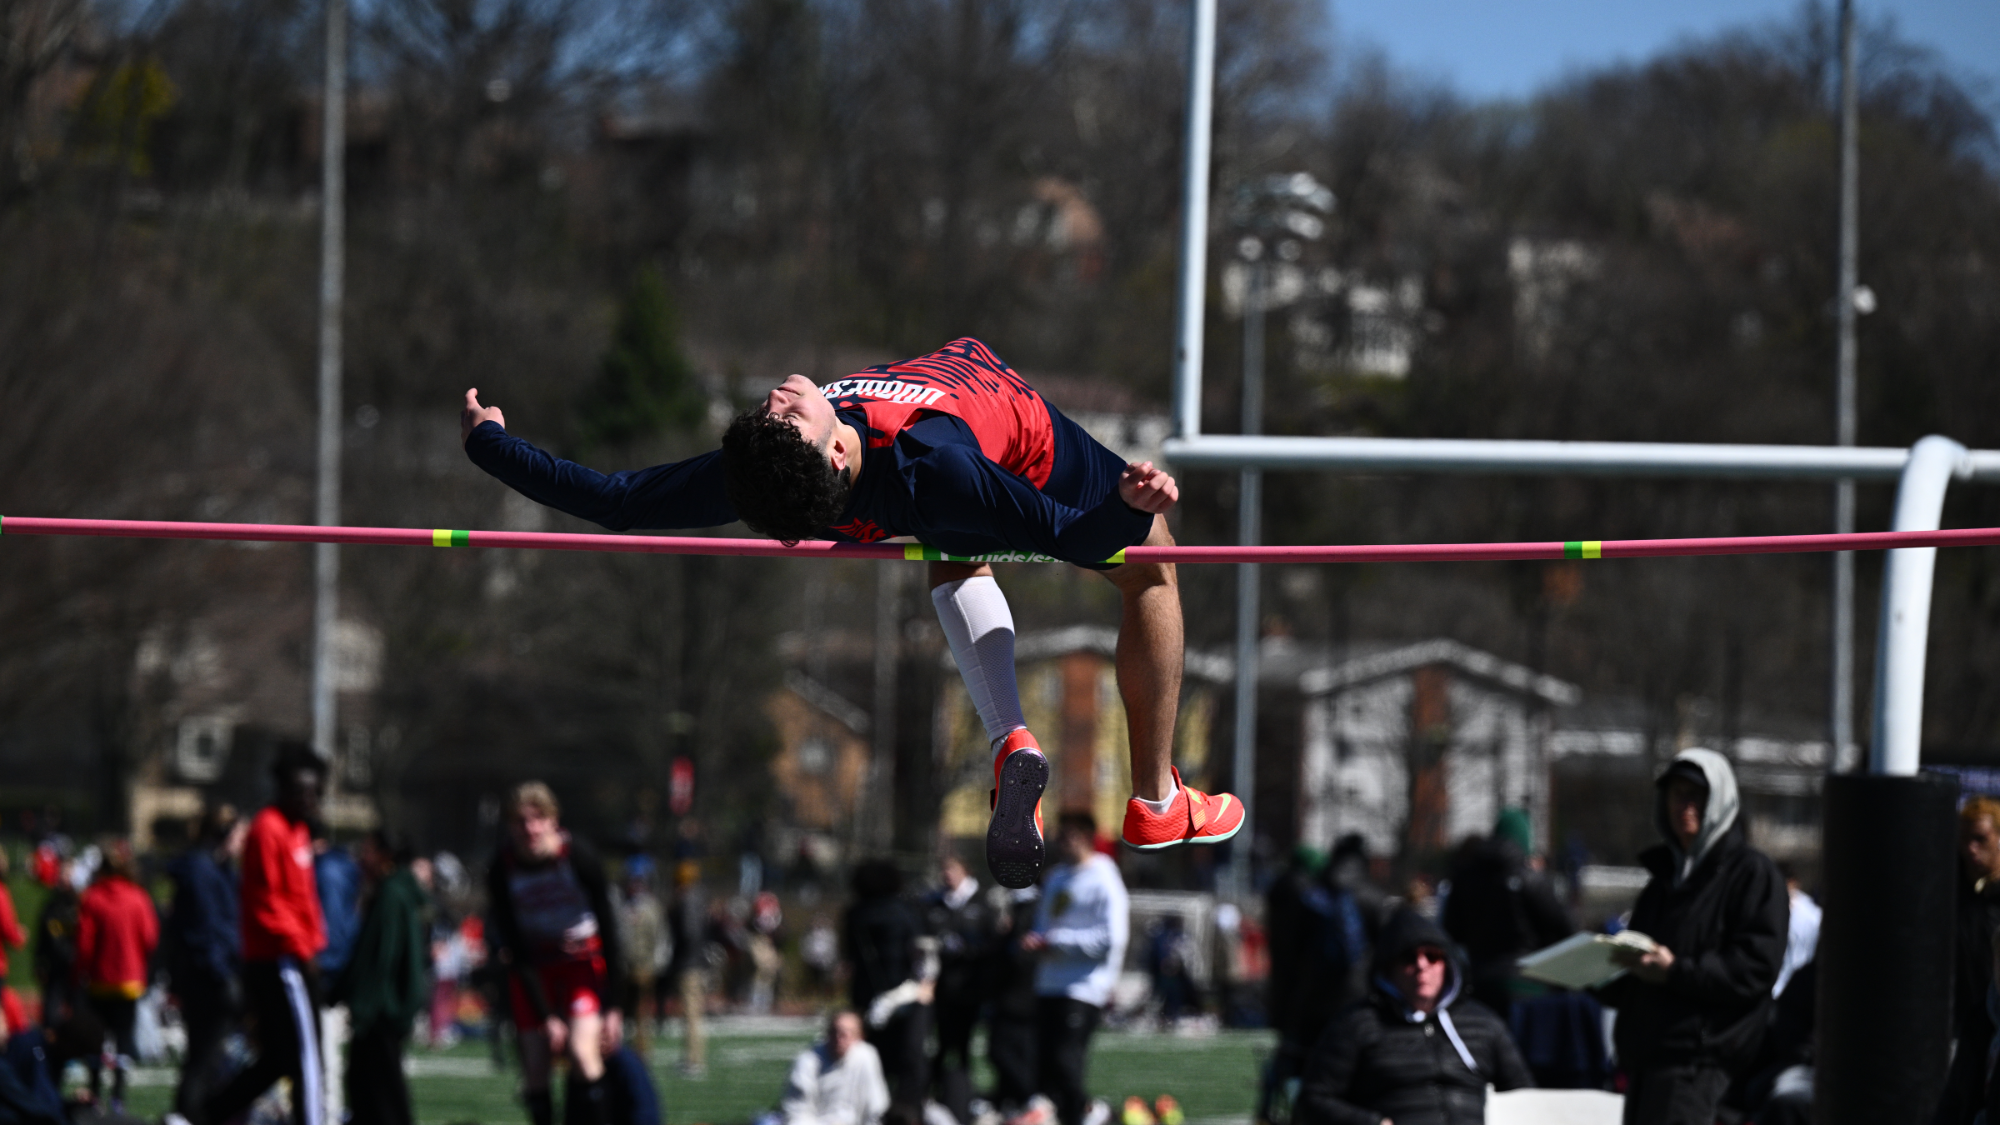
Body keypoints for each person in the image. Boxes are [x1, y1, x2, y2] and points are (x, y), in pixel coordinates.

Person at [460, 338, 1244, 888]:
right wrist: (1129, 506)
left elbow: (618, 500)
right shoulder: (935, 464)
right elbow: (1079, 539)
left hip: (933, 484)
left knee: (953, 545)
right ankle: (1155, 799)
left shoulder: (763, 472)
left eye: (775, 414)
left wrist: (493, 447)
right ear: (834, 452)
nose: (776, 401)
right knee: (1153, 564)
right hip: (1014, 434)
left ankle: (1012, 737)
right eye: (792, 416)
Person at [1595, 748, 1788, 1125]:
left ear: (1721, 800)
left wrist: (1675, 970)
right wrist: (1592, 972)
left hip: (1701, 1067)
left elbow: (1754, 969)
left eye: (1697, 794)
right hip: (1647, 1061)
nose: (1685, 805)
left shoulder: (1752, 875)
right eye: (1676, 793)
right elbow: (1641, 970)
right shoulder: (1662, 883)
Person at [1294, 908, 1533, 1125]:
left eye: (1432, 956)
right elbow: (1313, 1100)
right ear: (1388, 968)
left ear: (1448, 964)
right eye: (1409, 958)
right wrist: (1369, 1123)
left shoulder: (1484, 1024)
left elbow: (1524, 1097)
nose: (1422, 966)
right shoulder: (1357, 1024)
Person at [203, 742, 330, 1125]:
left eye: (313, 791)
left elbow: (304, 898)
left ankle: (209, 1114)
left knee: (279, 1057)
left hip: (296, 952)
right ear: (281, 789)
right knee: (308, 1054)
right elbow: (268, 903)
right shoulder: (268, 829)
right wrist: (302, 948)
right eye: (298, 790)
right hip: (279, 957)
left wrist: (316, 942)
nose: (307, 799)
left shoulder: (299, 831)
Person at [487, 782, 626, 1125]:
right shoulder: (501, 869)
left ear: (553, 821)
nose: (530, 829)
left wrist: (615, 1006)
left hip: (582, 964)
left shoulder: (577, 857)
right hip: (534, 968)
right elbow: (513, 946)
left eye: (538, 819)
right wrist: (547, 1015)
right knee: (536, 1065)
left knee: (582, 1053)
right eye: (520, 821)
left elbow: (610, 928)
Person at [1025, 812, 1128, 1125]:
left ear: (1085, 837)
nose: (1060, 842)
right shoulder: (1056, 877)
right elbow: (1044, 924)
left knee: (1067, 1064)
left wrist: (1058, 942)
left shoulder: (1104, 877)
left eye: (1067, 836)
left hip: (1084, 986)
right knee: (1046, 1068)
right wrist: (1036, 941)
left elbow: (1111, 937)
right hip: (1049, 982)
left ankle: (1094, 1114)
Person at [1440, 808, 1573, 1021]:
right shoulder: (1530, 879)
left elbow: (1451, 931)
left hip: (1479, 982)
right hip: (1529, 983)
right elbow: (1564, 928)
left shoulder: (1465, 878)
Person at [335, 830, 430, 1125]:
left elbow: (380, 956)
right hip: (387, 1007)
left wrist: (361, 1004)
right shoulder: (395, 892)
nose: (362, 858)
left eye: (368, 851)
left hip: (382, 1010)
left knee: (380, 1091)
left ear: (385, 856)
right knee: (374, 1088)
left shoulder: (390, 894)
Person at [164, 805, 245, 1120]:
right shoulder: (202, 870)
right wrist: (223, 974)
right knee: (203, 1058)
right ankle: (189, 1115)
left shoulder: (219, 869)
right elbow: (208, 929)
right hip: (208, 979)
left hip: (214, 973)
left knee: (210, 1059)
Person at [74, 840, 159, 1110]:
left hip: (99, 982)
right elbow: (150, 938)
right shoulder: (138, 897)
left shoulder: (93, 898)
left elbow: (85, 944)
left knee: (95, 1042)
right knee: (123, 1041)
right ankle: (118, 1096)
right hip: (129, 983)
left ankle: (95, 1093)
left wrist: (80, 973)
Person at [843, 860, 928, 1112]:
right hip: (907, 993)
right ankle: (908, 1109)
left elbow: (850, 956)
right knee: (910, 1057)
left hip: (867, 994)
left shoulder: (855, 914)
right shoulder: (906, 910)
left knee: (872, 1054)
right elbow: (919, 950)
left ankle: (872, 1108)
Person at [1939, 797, 2000, 1124]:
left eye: (1981, 839)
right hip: (1963, 1026)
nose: (1971, 849)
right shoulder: (1950, 891)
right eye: (1964, 840)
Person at [922, 852, 994, 1123]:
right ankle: (941, 1094)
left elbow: (991, 943)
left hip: (970, 988)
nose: (947, 875)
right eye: (944, 869)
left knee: (962, 1045)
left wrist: (969, 949)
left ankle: (962, 1096)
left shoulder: (981, 902)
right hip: (941, 989)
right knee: (941, 1044)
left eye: (952, 868)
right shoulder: (935, 903)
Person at [315, 831, 363, 1125]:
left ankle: (327, 1115)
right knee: (328, 1052)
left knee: (323, 1053)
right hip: (339, 967)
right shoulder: (343, 869)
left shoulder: (324, 871)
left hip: (324, 970)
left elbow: (331, 927)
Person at [778, 1011, 890, 1125]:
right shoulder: (808, 1061)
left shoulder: (866, 1057)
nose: (839, 1040)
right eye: (835, 1033)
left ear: (859, 1037)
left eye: (846, 1034)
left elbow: (876, 1105)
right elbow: (796, 1109)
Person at [615, 858, 668, 1051]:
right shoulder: (621, 905)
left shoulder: (652, 907)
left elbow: (661, 937)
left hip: (644, 966)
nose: (635, 885)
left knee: (641, 1011)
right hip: (623, 967)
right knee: (621, 1011)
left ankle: (642, 1049)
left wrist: (657, 964)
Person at [667, 860, 708, 1078]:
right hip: (696, 963)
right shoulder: (699, 899)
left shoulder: (687, 901)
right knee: (693, 1014)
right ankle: (693, 1057)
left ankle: (694, 1060)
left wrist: (676, 957)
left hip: (689, 965)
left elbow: (688, 933)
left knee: (691, 1014)